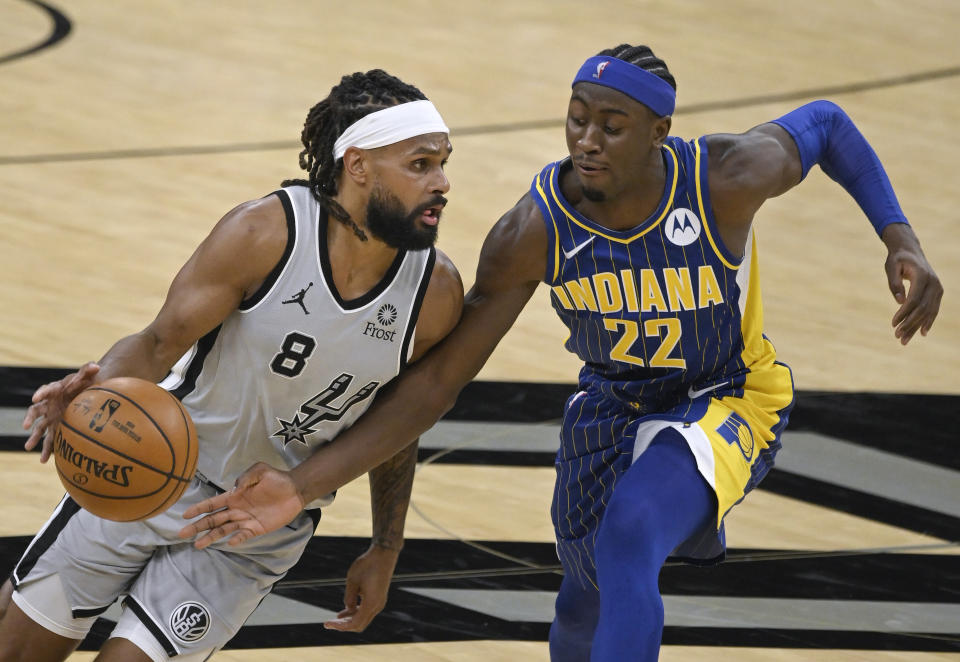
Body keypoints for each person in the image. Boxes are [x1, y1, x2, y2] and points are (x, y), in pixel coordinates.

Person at [177, 44, 943, 661]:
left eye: (611, 125)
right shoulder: (532, 231)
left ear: (658, 135)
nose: (587, 140)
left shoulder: (725, 178)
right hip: (610, 405)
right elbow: (434, 384)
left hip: (727, 392)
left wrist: (899, 237)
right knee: (584, 595)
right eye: (577, 119)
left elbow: (829, 125)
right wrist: (304, 484)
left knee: (630, 535)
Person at [0, 69, 462, 662]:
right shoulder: (265, 231)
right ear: (358, 164)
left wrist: (386, 546)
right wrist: (100, 387)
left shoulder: (436, 294)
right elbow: (159, 342)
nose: (443, 183)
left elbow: (394, 425)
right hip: (149, 464)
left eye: (445, 163)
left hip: (253, 526)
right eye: (421, 164)